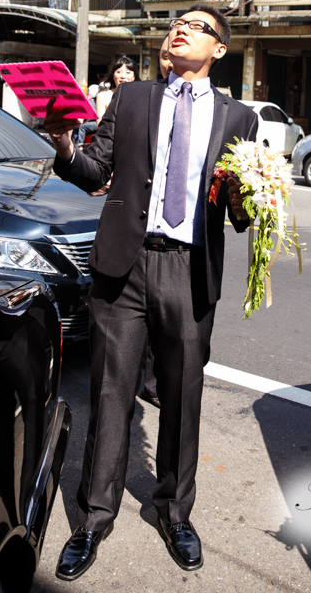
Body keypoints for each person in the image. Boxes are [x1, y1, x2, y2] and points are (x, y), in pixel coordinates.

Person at [46, 3, 257, 581]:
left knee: (183, 397)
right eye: (176, 24)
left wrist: (252, 198)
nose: (180, 29)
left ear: (218, 48)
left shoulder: (239, 118)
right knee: (111, 392)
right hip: (125, 265)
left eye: (197, 26)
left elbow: (239, 214)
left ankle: (174, 511)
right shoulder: (132, 99)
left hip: (190, 271)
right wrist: (65, 147)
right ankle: (92, 518)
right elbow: (94, 171)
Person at [138, 36, 173, 410]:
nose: (167, 62)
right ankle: (142, 379)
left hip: (177, 251)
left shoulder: (225, 113)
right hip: (135, 236)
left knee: (167, 333)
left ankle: (157, 380)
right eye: (162, 56)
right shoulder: (138, 99)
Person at [95, 55, 139, 119]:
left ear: (134, 77)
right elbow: (100, 125)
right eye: (119, 72)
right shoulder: (102, 97)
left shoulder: (141, 97)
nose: (123, 76)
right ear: (113, 76)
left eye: (128, 72)